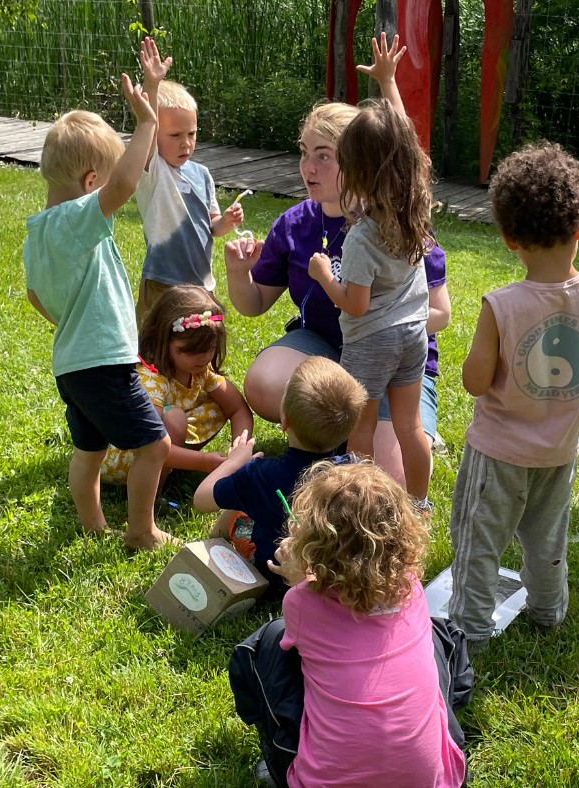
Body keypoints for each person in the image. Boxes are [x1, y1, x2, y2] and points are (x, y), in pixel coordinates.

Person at [223, 34, 451, 487]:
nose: (308, 167)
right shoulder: (294, 223)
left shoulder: (394, 220)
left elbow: (440, 313)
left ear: (358, 162)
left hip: (392, 359)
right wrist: (236, 271)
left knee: (389, 476)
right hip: (325, 348)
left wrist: (379, 330)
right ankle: (334, 432)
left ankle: (366, 432)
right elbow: (254, 304)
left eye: (324, 157)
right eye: (304, 153)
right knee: (264, 382)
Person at [448, 143, 579, 651]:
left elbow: (475, 382)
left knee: (479, 542)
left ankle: (470, 634)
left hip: (498, 454)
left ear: (509, 238)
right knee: (548, 539)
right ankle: (548, 611)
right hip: (559, 453)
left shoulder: (501, 305)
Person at [237, 461, 468, 788]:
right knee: (439, 635)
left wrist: (298, 575)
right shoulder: (412, 589)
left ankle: (276, 750)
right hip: (433, 781)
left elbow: (315, 602)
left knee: (267, 642)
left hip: (325, 783)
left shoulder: (301, 603)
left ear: (313, 543)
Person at [23, 72, 172, 550]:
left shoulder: (38, 232)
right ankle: (142, 531)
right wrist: (145, 122)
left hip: (72, 364)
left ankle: (93, 526)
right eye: (103, 186)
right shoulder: (76, 217)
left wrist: (152, 97)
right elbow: (126, 181)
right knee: (155, 446)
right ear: (91, 182)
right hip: (103, 364)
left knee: (89, 451)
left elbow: (35, 295)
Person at [306, 93, 433, 504]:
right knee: (410, 426)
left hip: (371, 341)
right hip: (413, 334)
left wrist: (325, 276)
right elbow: (400, 140)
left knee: (360, 427)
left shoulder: (361, 238)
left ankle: (360, 506)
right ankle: (419, 505)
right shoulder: (415, 215)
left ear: (356, 171)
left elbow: (355, 304)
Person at [193, 356, 367, 583]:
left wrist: (235, 463)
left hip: (270, 570)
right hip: (326, 574)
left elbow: (201, 499)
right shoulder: (355, 475)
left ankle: (214, 543)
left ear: (284, 421)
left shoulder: (260, 474)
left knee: (241, 497)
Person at [133, 38, 244, 323]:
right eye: (175, 135)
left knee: (200, 342)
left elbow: (212, 227)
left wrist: (226, 221)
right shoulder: (153, 170)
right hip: (162, 282)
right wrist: (152, 85)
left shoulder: (202, 174)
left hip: (202, 285)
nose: (186, 143)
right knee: (155, 345)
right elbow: (146, 124)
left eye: (191, 134)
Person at [100, 285, 253, 486]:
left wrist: (239, 449)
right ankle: (154, 489)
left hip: (156, 447)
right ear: (164, 340)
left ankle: (174, 465)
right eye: (190, 351)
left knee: (218, 406)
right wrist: (202, 461)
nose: (204, 358)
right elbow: (147, 442)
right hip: (122, 457)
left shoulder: (198, 368)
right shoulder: (151, 378)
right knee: (174, 418)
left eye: (210, 348)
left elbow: (237, 408)